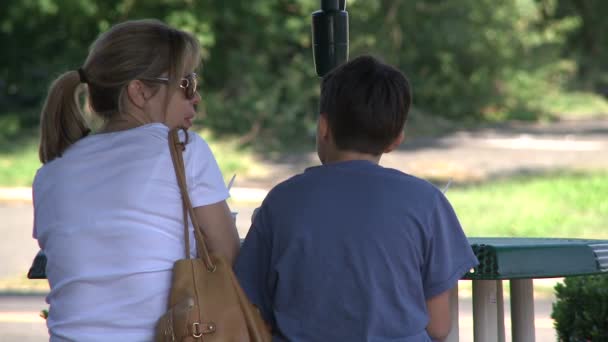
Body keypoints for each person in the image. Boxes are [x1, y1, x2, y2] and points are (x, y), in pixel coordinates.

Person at [234, 55, 479, 342]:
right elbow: (438, 327)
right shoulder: (427, 202)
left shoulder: (282, 201)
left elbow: (250, 307)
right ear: (396, 139)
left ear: (324, 127)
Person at [33, 19, 240, 341]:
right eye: (186, 83)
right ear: (139, 91)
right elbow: (228, 258)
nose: (196, 97)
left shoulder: (50, 173)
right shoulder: (182, 148)